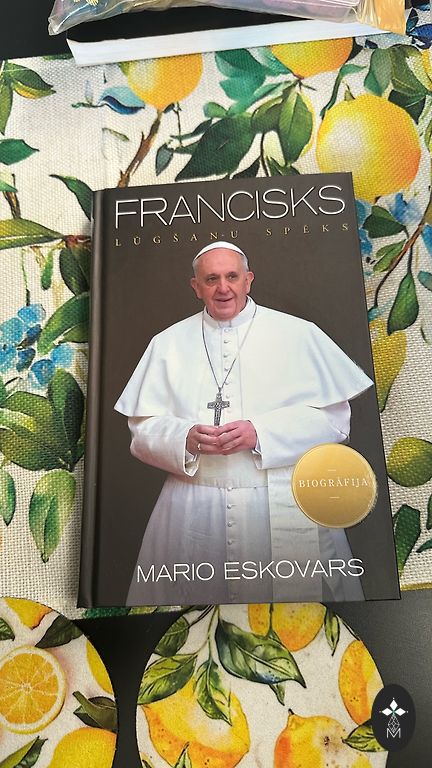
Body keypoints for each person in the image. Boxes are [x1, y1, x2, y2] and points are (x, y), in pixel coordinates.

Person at [114, 241, 374, 604]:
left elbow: (335, 422)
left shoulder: (298, 333)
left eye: (232, 277)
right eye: (212, 279)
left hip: (279, 498)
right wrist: (184, 437)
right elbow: (141, 431)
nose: (223, 288)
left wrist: (260, 433)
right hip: (191, 506)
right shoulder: (167, 344)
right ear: (196, 287)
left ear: (248, 280)